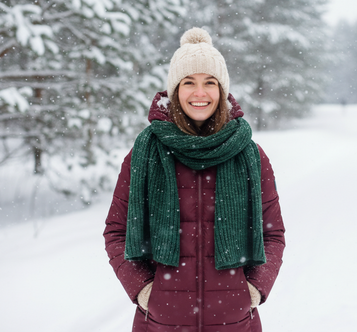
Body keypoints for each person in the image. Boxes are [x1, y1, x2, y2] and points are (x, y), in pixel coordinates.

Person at [104, 27, 285, 332]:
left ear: (222, 90)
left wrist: (252, 291)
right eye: (189, 82)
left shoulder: (249, 154)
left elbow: (273, 234)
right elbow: (117, 231)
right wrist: (145, 292)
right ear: (175, 90)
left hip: (234, 323)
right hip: (162, 323)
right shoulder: (146, 152)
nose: (199, 93)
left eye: (209, 83)